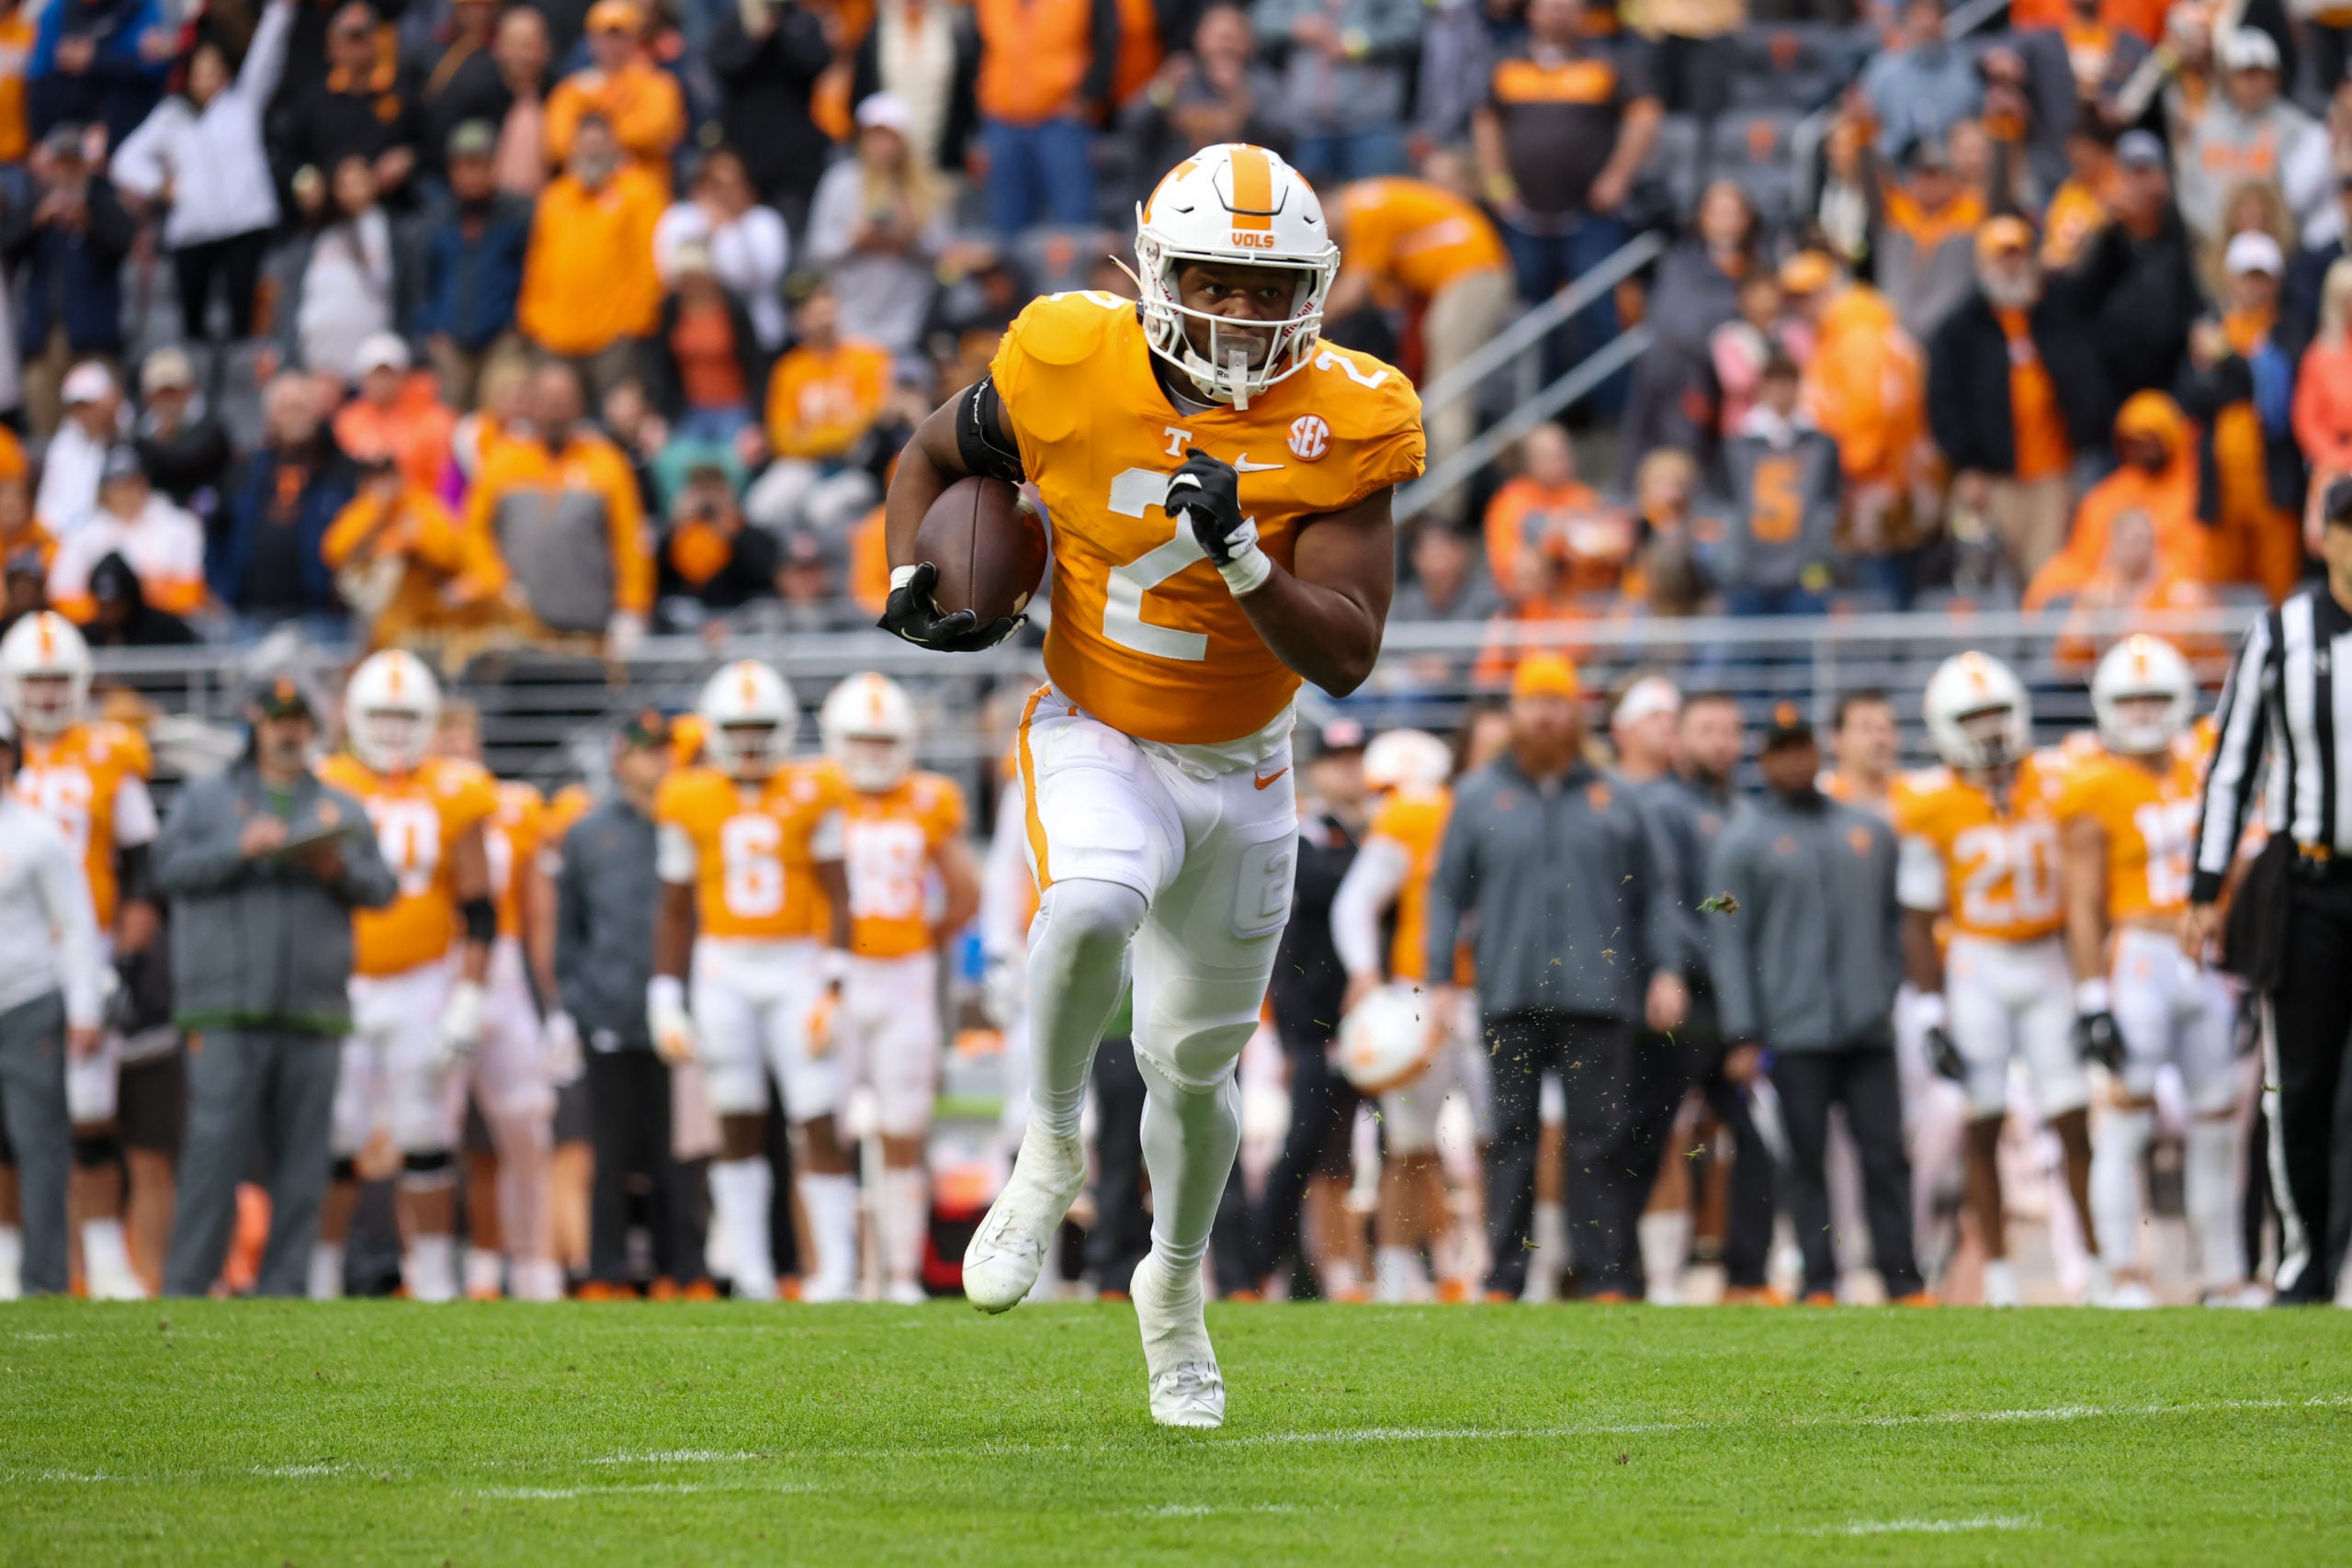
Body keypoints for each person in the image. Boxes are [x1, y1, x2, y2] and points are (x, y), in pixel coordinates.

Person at [879, 143, 1422, 1425]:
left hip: (1245, 768)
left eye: (1266, 285)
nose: (1239, 309)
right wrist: (909, 578)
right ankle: (1048, 1143)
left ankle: (1172, 1291)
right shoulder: (1069, 356)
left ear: (1311, 290)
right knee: (1088, 902)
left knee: (1192, 1070)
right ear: (1158, 273)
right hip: (1097, 722)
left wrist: (1243, 555)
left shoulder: (1350, 411)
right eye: (1215, 281)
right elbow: (928, 458)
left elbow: (1347, 654)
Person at [1423, 654, 1686, 1303]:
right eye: (1533, 702)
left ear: (1576, 712)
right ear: (1514, 712)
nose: (1544, 716)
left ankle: (1605, 1274)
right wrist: (1440, 977)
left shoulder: (1616, 795)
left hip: (1598, 994)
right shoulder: (1478, 795)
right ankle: (1505, 1275)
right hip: (1510, 992)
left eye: (1556, 703)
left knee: (1600, 1138)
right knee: (1509, 1137)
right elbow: (1446, 891)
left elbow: (1655, 893)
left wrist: (1666, 969)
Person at [157, 676, 398, 1297]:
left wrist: (334, 867)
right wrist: (238, 849)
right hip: (225, 1004)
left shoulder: (340, 806)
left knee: (303, 1162)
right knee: (214, 1151)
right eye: (277, 720)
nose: (287, 732)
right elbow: (166, 869)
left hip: (313, 1006)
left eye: (297, 721)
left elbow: (383, 888)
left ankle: (284, 1291)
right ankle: (188, 1285)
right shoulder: (208, 798)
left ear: (312, 729)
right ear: (256, 725)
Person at [2187, 480, 2352, 1305]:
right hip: (2311, 883)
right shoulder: (2280, 634)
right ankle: (2303, 1258)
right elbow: (2232, 767)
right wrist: (2204, 886)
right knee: (2300, 1081)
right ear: (2325, 536)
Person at [1895, 652, 2099, 1306]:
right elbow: (1917, 918)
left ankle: (2096, 1264)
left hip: (2046, 958)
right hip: (1977, 962)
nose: (1989, 729)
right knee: (1981, 1119)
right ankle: (2001, 1273)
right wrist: (1931, 1010)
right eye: (1973, 718)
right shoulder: (1929, 802)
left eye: (1997, 713)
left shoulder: (2056, 780)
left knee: (2072, 1116)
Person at [2057, 637, 2256, 1308]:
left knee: (2217, 1122)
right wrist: (2092, 996)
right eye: (2130, 700)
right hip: (2139, 957)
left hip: (2207, 961)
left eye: (2154, 697)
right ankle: (2121, 1272)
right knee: (2123, 1121)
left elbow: (2237, 870)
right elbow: (2082, 905)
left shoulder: (2206, 768)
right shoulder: (2091, 784)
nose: (2143, 712)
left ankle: (2225, 1276)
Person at [1708, 704, 1928, 1305]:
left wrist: (1884, 987)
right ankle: (1820, 1278)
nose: (1794, 762)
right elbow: (1728, 936)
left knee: (1886, 1155)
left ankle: (1902, 1278)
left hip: (1866, 1026)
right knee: (1805, 1161)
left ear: (1818, 751)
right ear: (1765, 761)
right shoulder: (1742, 843)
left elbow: (1892, 923)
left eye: (1802, 748)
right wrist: (1744, 1029)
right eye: (1782, 751)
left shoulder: (1868, 832)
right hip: (1793, 1029)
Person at [650, 660, 854, 1301]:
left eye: (761, 727)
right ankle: (752, 1269)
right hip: (723, 966)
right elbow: (673, 907)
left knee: (817, 1113)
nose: (748, 741)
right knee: (735, 1115)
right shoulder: (687, 796)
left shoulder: (815, 788)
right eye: (737, 728)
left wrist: (835, 980)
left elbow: (839, 894)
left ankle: (838, 1270)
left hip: (796, 964)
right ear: (714, 730)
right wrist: (665, 995)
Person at [311, 651, 500, 1303]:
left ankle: (435, 1275)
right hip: (341, 980)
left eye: (406, 717)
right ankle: (320, 1275)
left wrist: (469, 996)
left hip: (422, 981)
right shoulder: (326, 782)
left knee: (425, 1131)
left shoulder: (456, 789)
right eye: (381, 717)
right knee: (335, 1133)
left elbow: (480, 908)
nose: (393, 731)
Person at [0, 610, 155, 1297]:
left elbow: (142, 869)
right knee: (13, 1126)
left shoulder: (109, 751)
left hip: (83, 952)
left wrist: (122, 963)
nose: (46, 694)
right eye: (34, 680)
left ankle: (103, 1256)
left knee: (90, 1111)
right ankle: (13, 1257)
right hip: (18, 958)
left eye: (58, 679)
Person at [820, 672, 981, 1303]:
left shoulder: (929, 798)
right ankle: (832, 1269)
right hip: (833, 975)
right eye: (861, 739)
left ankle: (900, 1274)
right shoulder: (814, 793)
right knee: (822, 1123)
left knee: (904, 1125)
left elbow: (964, 891)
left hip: (903, 977)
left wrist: (920, 939)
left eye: (883, 740)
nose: (872, 753)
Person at [553, 710, 709, 1297]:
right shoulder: (589, 834)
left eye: (666, 749)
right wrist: (579, 1003)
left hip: (681, 1015)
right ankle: (606, 1271)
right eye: (648, 750)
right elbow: (569, 931)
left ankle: (684, 1269)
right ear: (621, 760)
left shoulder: (690, 823)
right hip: (610, 1014)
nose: (660, 761)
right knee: (610, 1153)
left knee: (682, 1154)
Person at [1329, 726, 1479, 1303]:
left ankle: (1428, 1271)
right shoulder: (1432, 812)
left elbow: (1354, 904)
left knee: (1426, 1146)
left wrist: (1365, 973)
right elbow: (1356, 905)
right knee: (1427, 1145)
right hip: (1444, 989)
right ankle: (1459, 1269)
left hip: (1452, 989)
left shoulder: (1418, 812)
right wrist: (1367, 974)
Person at [428, 706, 561, 1303]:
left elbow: (538, 910)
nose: (459, 746)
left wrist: (552, 1003)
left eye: (466, 735)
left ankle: (534, 1264)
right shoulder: (410, 801)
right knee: (425, 1126)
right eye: (447, 736)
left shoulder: (515, 805)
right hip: (436, 964)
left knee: (526, 1124)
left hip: (501, 969)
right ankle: (430, 1269)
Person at [1247, 717, 1368, 1299]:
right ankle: (1261, 1263)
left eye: (1356, 758)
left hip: (1368, 1014)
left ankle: (1349, 1266)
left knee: (1353, 1151)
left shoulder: (1368, 832)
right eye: (1338, 759)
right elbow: (1324, 886)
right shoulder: (1309, 832)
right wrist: (1297, 1031)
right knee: (1303, 1144)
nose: (1349, 769)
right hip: (1316, 1019)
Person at [1928, 216, 2114, 584]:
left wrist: (2081, 451)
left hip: (2052, 476)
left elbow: (2086, 383)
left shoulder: (2056, 315)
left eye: (2018, 255)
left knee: (2047, 577)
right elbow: (1944, 404)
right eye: (2001, 257)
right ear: (1982, 264)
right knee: (1988, 579)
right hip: (1992, 480)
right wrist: (1967, 465)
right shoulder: (1961, 329)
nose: (2011, 266)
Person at [1473, 0, 1658, 366]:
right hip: (1524, 218)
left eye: (1565, 6)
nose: (1557, 13)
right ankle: (1541, 399)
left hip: (1590, 215)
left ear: (1581, 12)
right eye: (1549, 6)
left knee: (1600, 314)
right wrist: (1497, 185)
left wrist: (1618, 177)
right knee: (1530, 319)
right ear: (1532, 13)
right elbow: (1486, 121)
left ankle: (1608, 400)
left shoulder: (1608, 61)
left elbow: (1645, 116)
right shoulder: (1507, 62)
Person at [0, 697, 109, 1298]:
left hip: (27, 1000)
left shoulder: (38, 832)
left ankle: (43, 1278)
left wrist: (85, 1006)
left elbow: (76, 922)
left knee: (39, 1144)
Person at [110, 0, 291, 344]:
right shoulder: (172, 115)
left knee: (245, 323)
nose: (209, 80)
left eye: (215, 71)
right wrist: (160, 186)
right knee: (192, 326)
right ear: (189, 76)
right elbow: (125, 160)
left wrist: (281, 12)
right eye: (201, 71)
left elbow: (266, 55)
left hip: (245, 225)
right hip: (193, 232)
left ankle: (241, 376)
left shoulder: (243, 104)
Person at [1322, 177, 1512, 504]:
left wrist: (1302, 323)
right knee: (1436, 391)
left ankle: (1446, 505)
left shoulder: (1364, 206)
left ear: (1326, 204)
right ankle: (1438, 496)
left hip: (1471, 275)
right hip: (1460, 279)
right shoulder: (1369, 203)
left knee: (1450, 393)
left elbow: (1354, 290)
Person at [461, 360, 650, 650]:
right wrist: (496, 583)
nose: (555, 411)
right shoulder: (502, 459)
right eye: (548, 401)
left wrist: (632, 608)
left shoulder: (605, 460)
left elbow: (631, 537)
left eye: (564, 401)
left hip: (589, 625)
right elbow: (474, 530)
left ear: (580, 405)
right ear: (531, 403)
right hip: (517, 627)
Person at [2177, 230, 2302, 604]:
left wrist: (2226, 359)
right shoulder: (2210, 327)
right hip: (2221, 487)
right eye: (2246, 276)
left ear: (2275, 282)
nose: (2253, 286)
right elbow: (2193, 396)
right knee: (2220, 597)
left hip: (2273, 485)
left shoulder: (2288, 329)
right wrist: (2239, 371)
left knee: (2280, 593)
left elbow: (2284, 392)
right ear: (2230, 279)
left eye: (2261, 277)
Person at [516, 113, 664, 398]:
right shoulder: (555, 196)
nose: (592, 152)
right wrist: (533, 320)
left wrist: (633, 325)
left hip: (614, 338)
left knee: (618, 413)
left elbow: (649, 265)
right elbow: (538, 264)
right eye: (585, 144)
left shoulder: (639, 191)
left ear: (614, 146)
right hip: (554, 337)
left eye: (599, 144)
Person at [3, 130, 133, 434]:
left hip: (94, 340)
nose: (66, 172)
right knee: (45, 428)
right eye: (60, 164)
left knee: (100, 432)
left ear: (85, 166)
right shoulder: (36, 204)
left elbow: (122, 242)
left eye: (73, 164)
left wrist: (86, 221)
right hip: (44, 339)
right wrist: (37, 220)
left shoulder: (102, 201)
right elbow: (7, 245)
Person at [804, 94, 951, 355]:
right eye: (874, 136)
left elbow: (944, 254)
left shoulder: (924, 188)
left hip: (909, 323)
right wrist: (853, 240)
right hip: (850, 325)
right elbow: (817, 250)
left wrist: (911, 236)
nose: (882, 145)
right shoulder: (840, 182)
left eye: (890, 137)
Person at [212, 373, 355, 633]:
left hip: (323, 617)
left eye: (301, 407)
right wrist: (224, 590)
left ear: (317, 413)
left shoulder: (343, 472)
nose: (294, 416)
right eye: (286, 408)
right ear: (270, 418)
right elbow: (215, 530)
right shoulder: (244, 472)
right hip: (250, 617)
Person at [748, 283, 891, 536]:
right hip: (804, 465)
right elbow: (782, 438)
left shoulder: (869, 358)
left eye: (828, 312)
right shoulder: (789, 369)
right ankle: (793, 558)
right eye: (814, 314)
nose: (825, 321)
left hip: (856, 465)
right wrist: (837, 436)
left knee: (822, 510)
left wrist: (812, 437)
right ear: (798, 322)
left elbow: (871, 422)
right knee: (761, 508)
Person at [412, 120, 532, 407]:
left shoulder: (517, 214)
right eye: (462, 166)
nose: (470, 175)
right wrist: (429, 329)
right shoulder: (436, 219)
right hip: (449, 342)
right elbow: (421, 280)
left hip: (502, 340)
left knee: (507, 404)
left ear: (494, 166)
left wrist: (519, 326)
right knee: (444, 416)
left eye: (478, 164)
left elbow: (534, 274)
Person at [970, 0, 1112, 233]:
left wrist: (1088, 97)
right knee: (1005, 227)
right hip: (1002, 121)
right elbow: (976, 50)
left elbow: (1107, 43)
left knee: (1073, 226)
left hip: (1062, 122)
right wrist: (981, 111)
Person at [1718, 354, 1839, 615]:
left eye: (1788, 382)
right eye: (1775, 382)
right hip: (1748, 575)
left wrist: (1819, 561)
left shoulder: (1821, 445)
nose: (1781, 391)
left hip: (1804, 575)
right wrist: (1732, 566)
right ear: (1762, 388)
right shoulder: (1737, 446)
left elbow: (1827, 509)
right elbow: (1728, 511)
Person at [1253, 0, 1418, 185]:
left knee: (1374, 200)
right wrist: (1295, 26)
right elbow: (1260, 20)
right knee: (1308, 200)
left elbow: (1410, 27)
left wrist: (1356, 44)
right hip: (1307, 129)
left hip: (1371, 126)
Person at [44, 446, 205, 626]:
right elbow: (62, 595)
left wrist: (131, 604)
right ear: (104, 491)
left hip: (165, 628)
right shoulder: (83, 532)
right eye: (118, 486)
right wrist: (114, 609)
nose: (127, 493)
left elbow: (190, 594)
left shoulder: (179, 524)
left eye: (133, 483)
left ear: (145, 483)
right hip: (104, 631)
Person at [707, 0, 834, 226]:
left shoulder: (800, 22)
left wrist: (780, 29)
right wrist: (755, 37)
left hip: (791, 168)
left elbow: (815, 61)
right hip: (744, 167)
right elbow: (722, 65)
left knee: (789, 234)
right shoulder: (735, 24)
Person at [655, 146, 791, 353]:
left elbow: (759, 278)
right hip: (700, 337)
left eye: (734, 184)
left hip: (760, 335)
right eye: (717, 185)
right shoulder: (681, 218)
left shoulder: (764, 221)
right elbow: (672, 275)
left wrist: (732, 229)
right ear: (700, 188)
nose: (726, 194)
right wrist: (710, 231)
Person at [544, 0, 684, 184]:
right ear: (591, 41)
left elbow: (656, 130)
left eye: (621, 37)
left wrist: (594, 135)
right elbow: (558, 143)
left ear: (636, 39)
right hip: (584, 187)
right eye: (606, 36)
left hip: (641, 186)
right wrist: (622, 126)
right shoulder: (571, 88)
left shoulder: (658, 83)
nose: (613, 45)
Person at [332, 333, 456, 496]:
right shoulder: (349, 421)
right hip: (366, 506)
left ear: (404, 375)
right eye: (376, 375)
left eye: (389, 374)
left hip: (419, 505)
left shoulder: (437, 421)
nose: (382, 382)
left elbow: (445, 481)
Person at [1860, 0, 1983, 161]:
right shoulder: (1882, 72)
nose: (1927, 22)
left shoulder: (1967, 69)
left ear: (1944, 20)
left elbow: (1978, 126)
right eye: (1919, 14)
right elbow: (1869, 127)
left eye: (1934, 13)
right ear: (1906, 20)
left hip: (1956, 169)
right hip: (1896, 168)